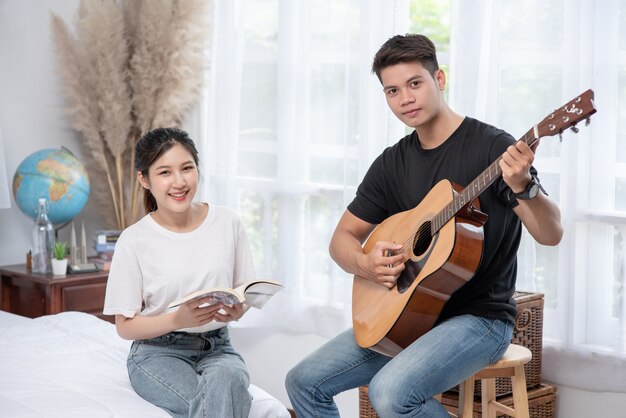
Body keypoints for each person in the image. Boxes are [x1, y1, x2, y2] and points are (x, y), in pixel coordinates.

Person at [285, 34, 563, 417]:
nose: (405, 99)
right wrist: (365, 263)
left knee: (390, 393)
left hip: (479, 319)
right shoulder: (391, 164)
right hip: (408, 318)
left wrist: (523, 185)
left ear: (440, 79)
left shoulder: (491, 148)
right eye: (392, 91)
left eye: (415, 83)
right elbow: (341, 239)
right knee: (303, 382)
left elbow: (551, 234)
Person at [103, 127, 255, 418]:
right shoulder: (135, 240)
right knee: (220, 403)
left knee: (229, 380)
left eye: (187, 168)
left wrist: (239, 310)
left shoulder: (228, 221)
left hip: (219, 347)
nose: (179, 181)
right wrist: (177, 319)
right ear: (144, 179)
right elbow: (124, 325)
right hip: (157, 353)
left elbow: (244, 289)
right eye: (165, 172)